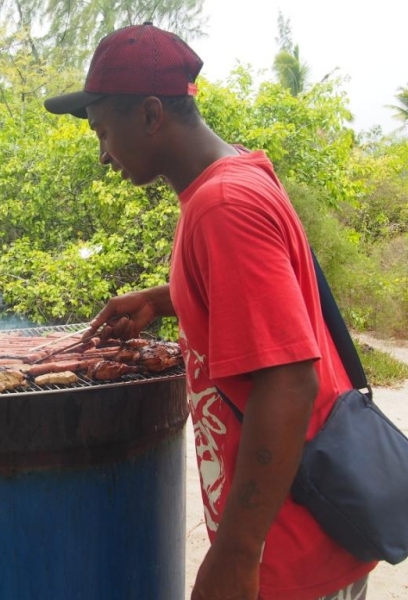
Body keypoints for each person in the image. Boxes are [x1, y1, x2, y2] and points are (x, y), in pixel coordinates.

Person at [45, 24, 375, 600]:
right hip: (297, 536)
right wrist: (164, 298)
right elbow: (266, 300)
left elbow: (290, 381)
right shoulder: (234, 180)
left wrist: (237, 555)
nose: (102, 156)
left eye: (103, 132)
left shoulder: (223, 206)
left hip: (291, 553)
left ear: (151, 115)